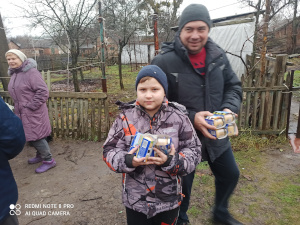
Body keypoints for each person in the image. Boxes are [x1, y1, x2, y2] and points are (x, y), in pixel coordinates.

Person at [151, 4, 243, 225]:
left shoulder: (218, 56)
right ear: (180, 31)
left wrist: (230, 108)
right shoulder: (163, 61)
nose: (195, 35)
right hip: (181, 141)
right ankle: (180, 220)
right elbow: (155, 103)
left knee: (230, 174)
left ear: (208, 29)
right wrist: (192, 117)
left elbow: (234, 86)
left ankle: (220, 213)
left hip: (215, 134)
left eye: (201, 29)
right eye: (189, 29)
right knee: (182, 189)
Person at [103, 65, 202, 225]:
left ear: (164, 91)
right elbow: (109, 151)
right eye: (143, 89)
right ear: (137, 91)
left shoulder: (179, 118)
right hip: (135, 202)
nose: (148, 95)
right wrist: (129, 160)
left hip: (168, 201)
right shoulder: (124, 119)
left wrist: (172, 162)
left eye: (155, 89)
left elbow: (194, 152)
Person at [6, 49, 56, 173]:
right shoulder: (15, 73)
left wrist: (30, 106)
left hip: (33, 111)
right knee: (31, 135)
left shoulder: (31, 72)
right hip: (22, 111)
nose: (11, 61)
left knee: (36, 137)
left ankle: (49, 160)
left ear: (21, 59)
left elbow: (43, 91)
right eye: (9, 59)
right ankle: (40, 155)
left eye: (14, 58)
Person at [0, 96, 26, 225]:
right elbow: (13, 136)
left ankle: (47, 158)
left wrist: (31, 104)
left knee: (39, 137)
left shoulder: (32, 75)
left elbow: (13, 137)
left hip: (30, 111)